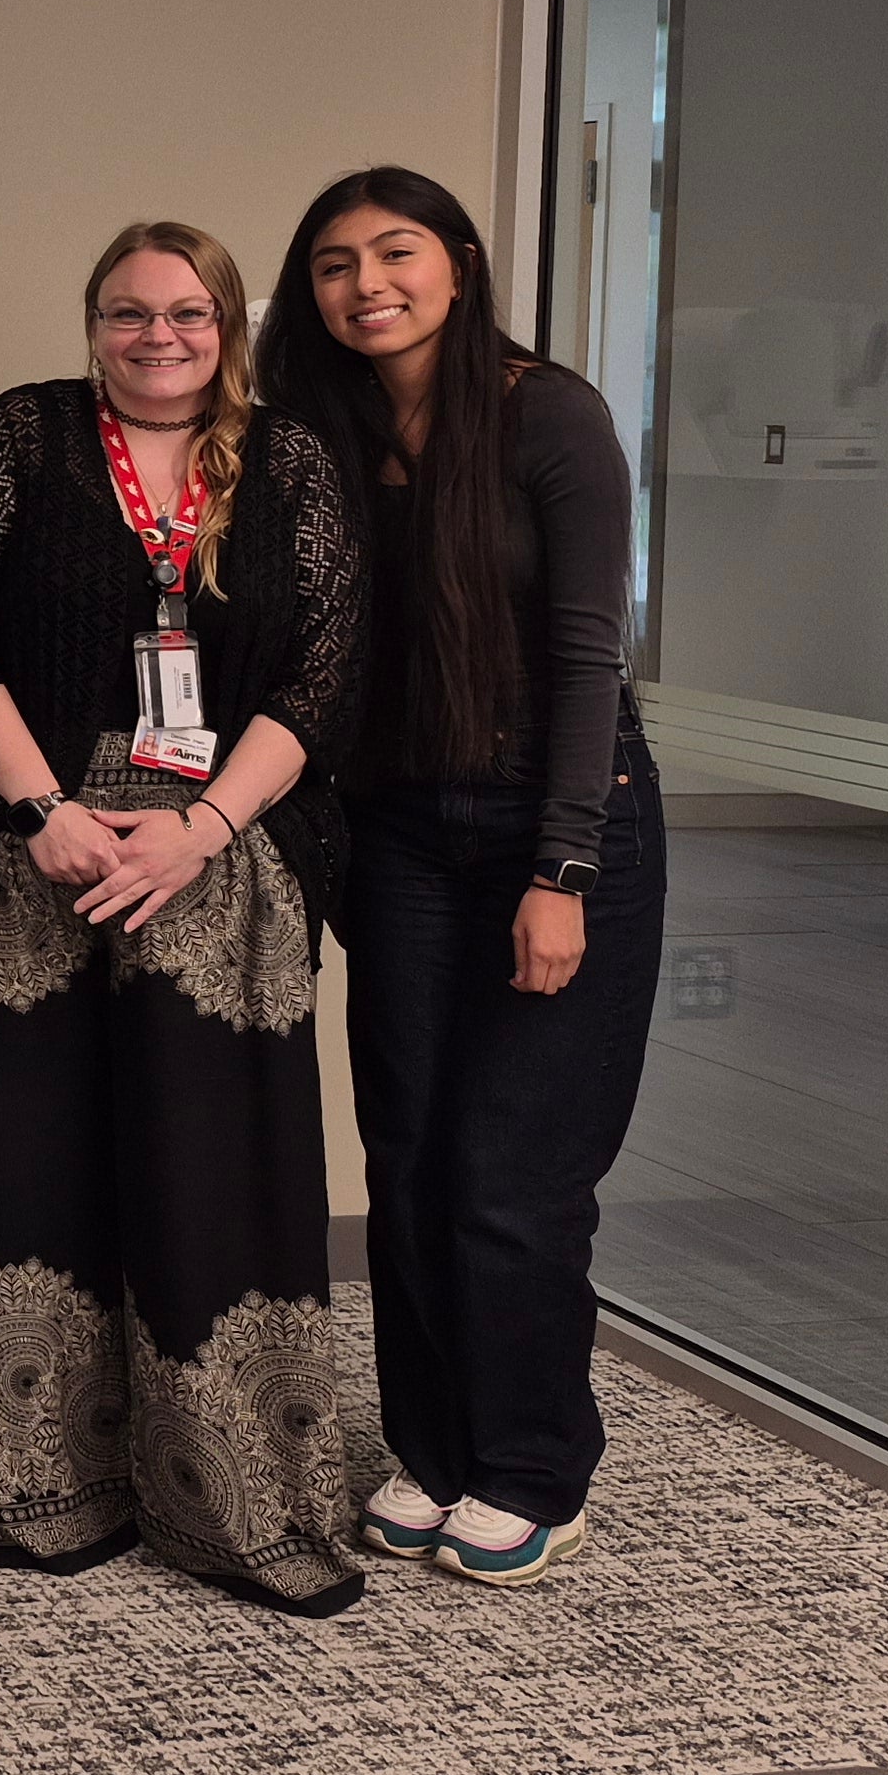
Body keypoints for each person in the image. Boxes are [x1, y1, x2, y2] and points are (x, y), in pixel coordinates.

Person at [0, 221, 368, 1615]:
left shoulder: (288, 467)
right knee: (17, 1171)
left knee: (211, 1179)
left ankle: (235, 1501)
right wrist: (46, 811)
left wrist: (204, 825)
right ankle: (28, 1487)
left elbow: (328, 670)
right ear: (91, 323)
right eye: (125, 313)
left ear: (231, 328)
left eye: (187, 314)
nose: (157, 337)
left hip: (215, 858)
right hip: (13, 845)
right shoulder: (24, 438)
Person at [258, 167, 661, 1590]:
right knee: (412, 1161)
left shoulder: (551, 414)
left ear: (460, 262)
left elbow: (584, 661)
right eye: (332, 264)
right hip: (403, 837)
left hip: (555, 829)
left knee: (516, 1176)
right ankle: (435, 1451)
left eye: (396, 252)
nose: (367, 283)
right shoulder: (319, 427)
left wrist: (564, 866)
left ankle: (538, 1465)